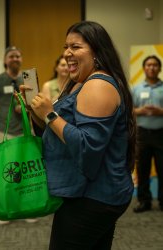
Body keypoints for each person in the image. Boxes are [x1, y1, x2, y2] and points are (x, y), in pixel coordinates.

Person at [20, 21, 136, 249]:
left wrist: (50, 114)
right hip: (89, 193)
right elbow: (55, 135)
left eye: (76, 47)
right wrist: (35, 111)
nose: (67, 54)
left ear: (97, 51)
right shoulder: (79, 84)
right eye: (66, 47)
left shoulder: (98, 86)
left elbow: (87, 148)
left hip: (94, 197)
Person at [0, 46, 37, 225]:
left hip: (25, 131)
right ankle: (7, 210)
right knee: (6, 173)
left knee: (26, 173)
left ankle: (29, 209)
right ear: (5, 60)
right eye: (11, 56)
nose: (15, 58)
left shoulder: (27, 78)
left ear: (21, 59)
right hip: (4, 132)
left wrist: (25, 107)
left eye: (18, 55)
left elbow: (34, 104)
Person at [132, 55, 163, 213]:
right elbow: (129, 110)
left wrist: (160, 112)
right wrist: (140, 111)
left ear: (159, 68)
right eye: (149, 65)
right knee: (142, 168)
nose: (152, 67)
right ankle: (144, 201)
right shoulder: (136, 88)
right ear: (144, 68)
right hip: (142, 134)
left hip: (161, 134)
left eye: (155, 65)